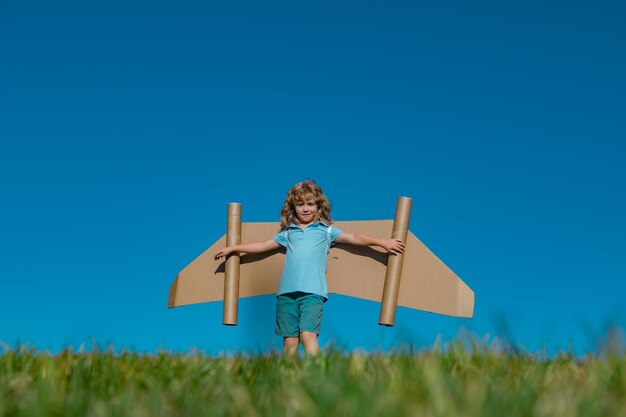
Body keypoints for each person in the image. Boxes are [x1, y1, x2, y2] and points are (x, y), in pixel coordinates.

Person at [215, 180, 405, 355]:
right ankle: (286, 378)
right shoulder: (288, 234)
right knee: (289, 341)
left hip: (313, 292)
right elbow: (262, 246)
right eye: (300, 204)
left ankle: (318, 371)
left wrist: (382, 242)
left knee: (307, 335)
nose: (306, 209)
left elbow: (355, 238)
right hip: (286, 293)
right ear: (293, 207)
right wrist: (234, 248)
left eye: (310, 204)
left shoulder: (326, 230)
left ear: (318, 206)